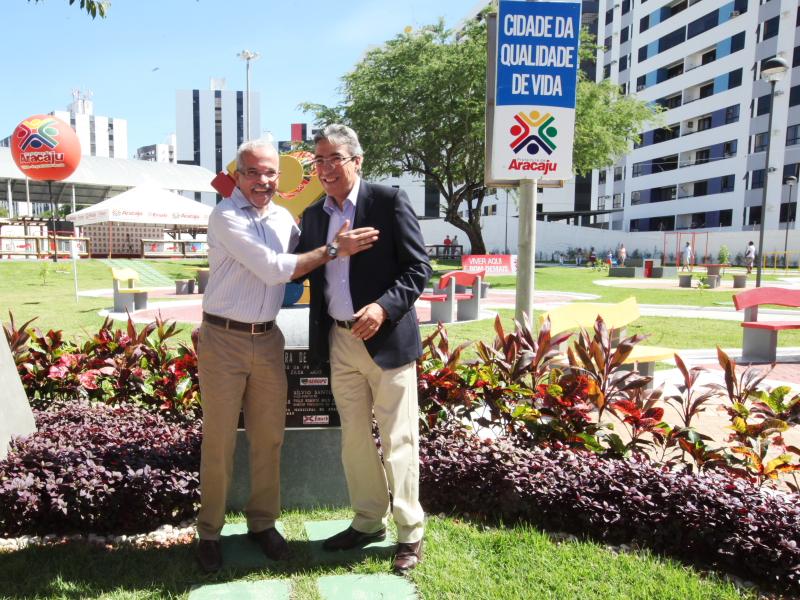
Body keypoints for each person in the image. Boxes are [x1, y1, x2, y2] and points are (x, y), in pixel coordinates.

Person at [195, 139, 378, 573]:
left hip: (267, 339)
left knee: (268, 437)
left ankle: (262, 523)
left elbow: (310, 253)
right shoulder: (225, 216)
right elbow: (276, 268)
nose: (263, 181)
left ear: (281, 176)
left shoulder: (282, 218)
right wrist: (334, 248)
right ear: (238, 175)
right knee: (219, 440)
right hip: (223, 339)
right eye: (253, 172)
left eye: (270, 173)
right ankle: (209, 532)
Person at [294, 124, 431, 574]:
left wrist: (383, 308)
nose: (325, 168)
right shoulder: (314, 216)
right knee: (354, 439)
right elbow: (301, 268)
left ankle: (410, 532)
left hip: (387, 340)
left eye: (334, 158)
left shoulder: (388, 202)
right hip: (339, 340)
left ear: (357, 160)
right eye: (319, 160)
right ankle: (369, 520)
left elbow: (417, 269)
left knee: (399, 439)